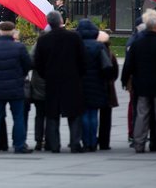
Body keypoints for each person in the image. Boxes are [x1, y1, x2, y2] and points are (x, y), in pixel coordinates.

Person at [121, 8, 156, 153]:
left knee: (142, 114)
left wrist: (124, 80)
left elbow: (129, 65)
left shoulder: (137, 43)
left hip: (142, 84)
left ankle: (139, 143)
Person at [33, 11, 85, 154]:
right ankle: (75, 144)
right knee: (74, 114)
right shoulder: (74, 37)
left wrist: (46, 75)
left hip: (52, 81)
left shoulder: (43, 40)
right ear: (61, 20)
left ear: (49, 23)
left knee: (52, 115)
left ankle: (54, 145)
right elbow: (82, 59)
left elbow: (38, 63)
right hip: (72, 80)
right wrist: (78, 75)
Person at [0, 21, 32, 154]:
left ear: (0, 31)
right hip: (16, 87)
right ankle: (19, 145)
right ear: (13, 32)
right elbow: (28, 65)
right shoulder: (19, 48)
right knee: (18, 117)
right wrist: (20, 75)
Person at [76, 19, 113, 152]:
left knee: (84, 114)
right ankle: (93, 141)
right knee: (93, 114)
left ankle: (86, 142)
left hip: (81, 84)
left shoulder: (77, 45)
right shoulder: (99, 46)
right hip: (97, 83)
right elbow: (107, 65)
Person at [97, 30, 119, 151]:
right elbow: (115, 73)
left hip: (95, 87)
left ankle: (91, 139)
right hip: (108, 88)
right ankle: (104, 142)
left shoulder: (94, 52)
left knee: (92, 114)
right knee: (106, 117)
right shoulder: (111, 55)